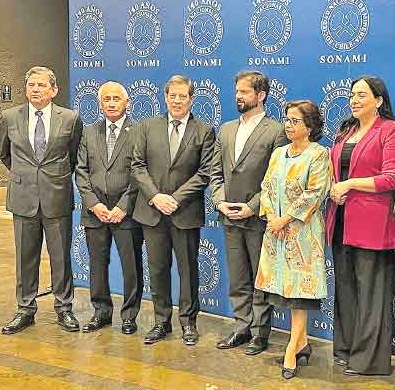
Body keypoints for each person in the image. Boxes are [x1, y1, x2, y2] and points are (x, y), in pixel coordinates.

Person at [326, 76, 395, 376]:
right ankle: (345, 349)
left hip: (374, 225)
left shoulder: (392, 131)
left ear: (379, 100)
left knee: (372, 294)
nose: (354, 100)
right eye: (352, 95)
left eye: (362, 94)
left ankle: (369, 360)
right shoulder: (345, 132)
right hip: (340, 222)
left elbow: (390, 178)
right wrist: (335, 186)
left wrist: (349, 183)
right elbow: (335, 171)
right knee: (345, 289)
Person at [0, 66, 83, 334]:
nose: (35, 89)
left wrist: (51, 178)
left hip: (57, 197)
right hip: (23, 199)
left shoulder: (70, 119)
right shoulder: (9, 117)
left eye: (41, 85)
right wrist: (27, 178)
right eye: (31, 85)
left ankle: (64, 308)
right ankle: (25, 309)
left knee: (60, 257)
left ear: (54, 90)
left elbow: (73, 157)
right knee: (25, 257)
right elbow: (5, 155)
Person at [131, 75, 215, 346]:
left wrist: (175, 199)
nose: (177, 101)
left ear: (191, 99)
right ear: (165, 98)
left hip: (184, 212)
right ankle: (161, 322)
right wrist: (156, 197)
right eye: (173, 96)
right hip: (152, 212)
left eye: (183, 96)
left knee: (188, 270)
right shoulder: (146, 127)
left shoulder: (204, 130)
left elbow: (204, 173)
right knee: (157, 269)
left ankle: (188, 323)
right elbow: (137, 166)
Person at [210, 70, 287, 355]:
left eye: (244, 91)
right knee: (238, 276)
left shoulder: (277, 130)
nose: (238, 96)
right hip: (228, 216)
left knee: (259, 278)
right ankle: (241, 328)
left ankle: (259, 333)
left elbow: (275, 178)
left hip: (258, 219)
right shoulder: (226, 129)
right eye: (237, 91)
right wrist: (219, 202)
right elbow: (215, 172)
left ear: (261, 95)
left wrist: (252, 206)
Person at [254, 100, 331, 379]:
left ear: (309, 126)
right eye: (287, 120)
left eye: (295, 121)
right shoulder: (278, 153)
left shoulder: (319, 154)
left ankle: (291, 351)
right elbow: (265, 188)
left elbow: (316, 193)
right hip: (276, 233)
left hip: (302, 236)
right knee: (283, 294)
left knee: (300, 296)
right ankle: (303, 343)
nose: (288, 125)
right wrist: (273, 217)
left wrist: (286, 219)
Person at [75, 81, 144, 335]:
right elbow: (81, 172)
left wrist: (124, 206)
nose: (112, 103)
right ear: (100, 103)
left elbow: (140, 173)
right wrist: (94, 204)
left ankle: (129, 316)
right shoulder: (89, 132)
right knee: (97, 264)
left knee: (131, 266)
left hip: (126, 213)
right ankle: (101, 312)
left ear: (127, 103)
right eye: (107, 99)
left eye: (117, 98)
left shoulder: (138, 132)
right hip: (96, 213)